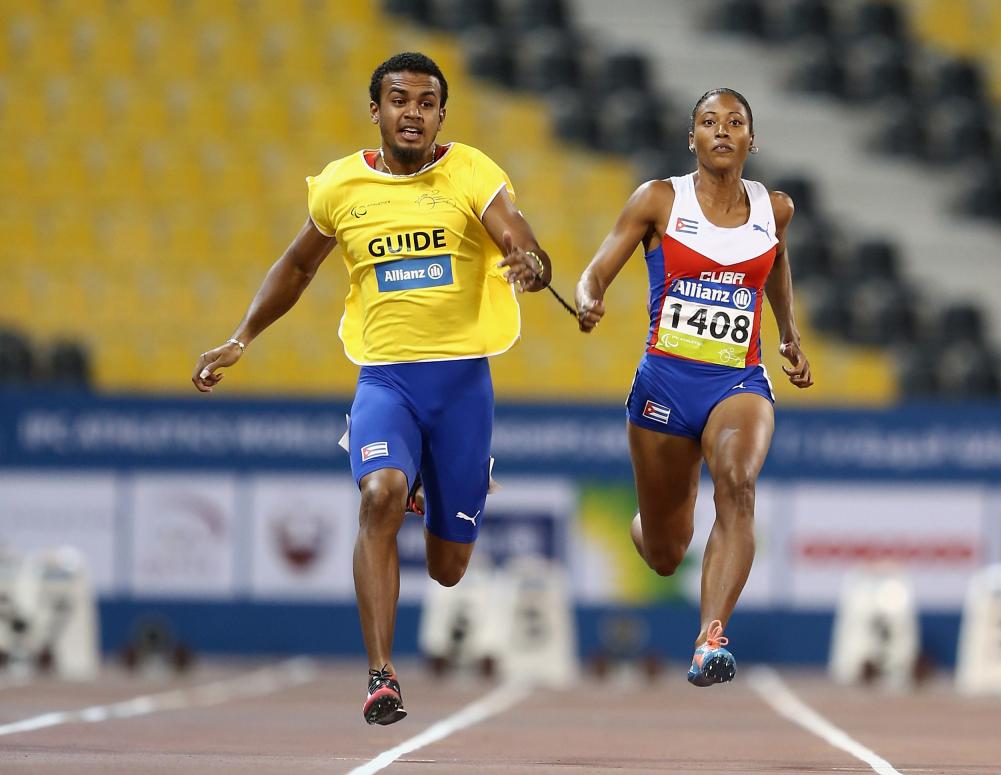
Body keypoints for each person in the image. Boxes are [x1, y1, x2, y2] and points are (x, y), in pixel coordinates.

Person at [190, 52, 552, 724]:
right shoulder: (339, 186)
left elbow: (516, 232)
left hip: (463, 385)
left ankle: (444, 477)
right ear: (376, 109)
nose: (410, 112)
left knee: (448, 569)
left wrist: (527, 259)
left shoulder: (471, 170)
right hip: (386, 379)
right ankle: (381, 674)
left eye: (424, 102)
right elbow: (298, 266)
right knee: (379, 496)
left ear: (441, 114)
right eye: (398, 99)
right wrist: (242, 336)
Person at [574, 88, 813, 687]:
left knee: (737, 482)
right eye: (709, 122)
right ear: (693, 139)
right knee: (663, 551)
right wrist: (588, 297)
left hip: (738, 381)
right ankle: (647, 520)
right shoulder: (658, 199)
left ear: (752, 139)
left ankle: (710, 638)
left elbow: (776, 263)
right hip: (664, 384)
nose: (723, 131)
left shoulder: (774, 207)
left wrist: (788, 335)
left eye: (736, 122)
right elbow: (598, 268)